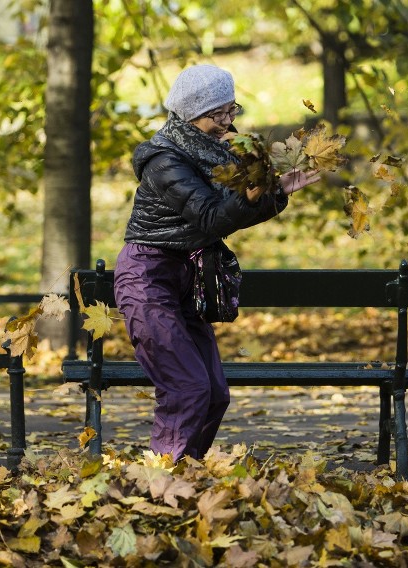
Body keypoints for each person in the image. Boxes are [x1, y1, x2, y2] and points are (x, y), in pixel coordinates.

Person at [113, 64, 321, 462]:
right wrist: (254, 194)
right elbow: (211, 216)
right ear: (191, 113)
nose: (228, 123)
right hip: (148, 278)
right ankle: (163, 481)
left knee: (214, 392)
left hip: (188, 276)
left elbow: (228, 214)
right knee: (187, 388)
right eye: (219, 114)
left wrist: (274, 192)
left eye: (232, 110)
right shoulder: (164, 159)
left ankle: (184, 472)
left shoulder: (213, 154)